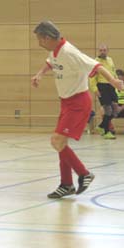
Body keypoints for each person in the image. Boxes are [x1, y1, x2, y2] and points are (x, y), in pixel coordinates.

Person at [31, 21, 123, 199]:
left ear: (47, 38)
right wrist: (40, 74)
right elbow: (51, 63)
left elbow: (97, 66)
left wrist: (114, 82)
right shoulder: (54, 50)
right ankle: (66, 184)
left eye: (39, 39)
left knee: (56, 141)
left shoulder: (70, 52)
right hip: (65, 103)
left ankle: (84, 174)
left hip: (78, 103)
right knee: (61, 143)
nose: (38, 43)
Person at [89, 44, 119, 139]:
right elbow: (92, 77)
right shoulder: (95, 62)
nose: (102, 52)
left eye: (104, 50)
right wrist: (95, 89)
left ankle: (101, 126)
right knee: (108, 109)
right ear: (99, 51)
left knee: (115, 109)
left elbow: (113, 73)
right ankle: (106, 132)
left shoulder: (110, 60)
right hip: (102, 86)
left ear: (107, 51)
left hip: (111, 86)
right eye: (101, 50)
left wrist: (117, 83)